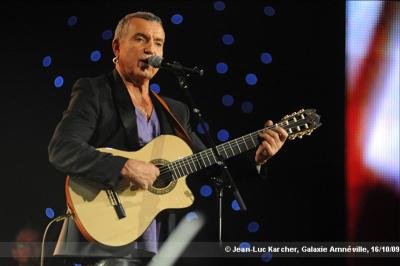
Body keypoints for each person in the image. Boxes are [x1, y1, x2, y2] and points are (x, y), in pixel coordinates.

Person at [48, 11, 288, 266]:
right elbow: (62, 149)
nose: (150, 49)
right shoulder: (94, 92)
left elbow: (212, 164)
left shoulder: (173, 110)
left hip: (157, 250)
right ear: (117, 47)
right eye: (140, 39)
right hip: (105, 245)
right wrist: (124, 167)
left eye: (158, 43)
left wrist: (256, 158)